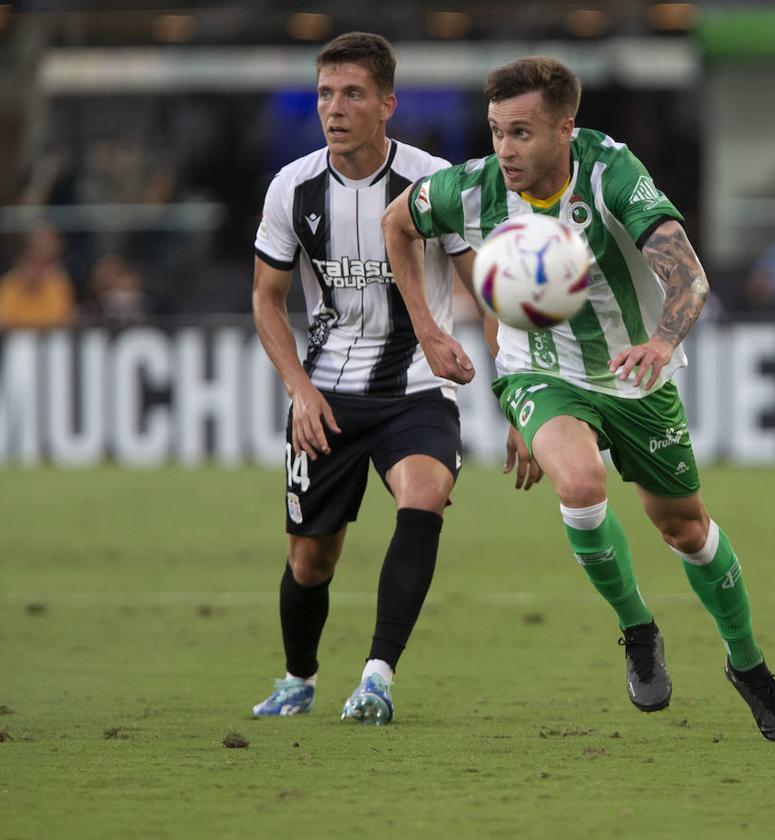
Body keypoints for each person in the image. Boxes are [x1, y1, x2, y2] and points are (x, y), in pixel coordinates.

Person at [382, 56, 775, 741]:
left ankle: (748, 664)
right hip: (538, 371)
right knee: (579, 485)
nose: (505, 150)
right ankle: (638, 629)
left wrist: (663, 346)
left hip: (636, 376)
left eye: (521, 133)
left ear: (564, 129)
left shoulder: (612, 173)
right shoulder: (474, 187)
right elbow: (396, 225)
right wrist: (428, 330)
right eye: (496, 131)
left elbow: (689, 277)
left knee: (687, 531)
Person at [250, 32, 474, 724]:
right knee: (311, 561)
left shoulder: (434, 180)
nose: (334, 108)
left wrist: (509, 386)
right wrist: (299, 389)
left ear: (387, 104)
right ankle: (299, 676)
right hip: (328, 393)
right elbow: (266, 299)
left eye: (351, 94)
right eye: (325, 94)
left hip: (414, 384)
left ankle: (377, 676)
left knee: (425, 495)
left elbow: (483, 288)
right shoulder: (293, 188)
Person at [0, 224, 76, 332]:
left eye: (37, 263)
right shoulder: (8, 284)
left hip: (51, 341)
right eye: (28, 262)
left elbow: (63, 319)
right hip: (13, 342)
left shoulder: (56, 283)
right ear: (19, 263)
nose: (33, 270)